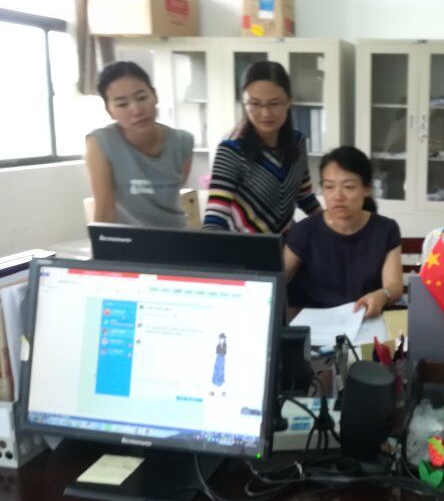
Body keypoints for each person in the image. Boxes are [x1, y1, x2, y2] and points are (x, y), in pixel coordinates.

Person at [284, 146, 403, 318]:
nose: (337, 196)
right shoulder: (304, 231)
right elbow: (278, 281)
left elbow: (394, 286)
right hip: (316, 325)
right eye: (329, 187)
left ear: (367, 188)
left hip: (366, 321)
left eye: (348, 187)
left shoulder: (385, 229)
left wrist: (382, 295)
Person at [203, 60, 321, 233]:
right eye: (255, 104)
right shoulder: (231, 150)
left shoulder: (297, 141)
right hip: (246, 246)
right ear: (244, 104)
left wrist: (332, 223)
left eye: (274, 103)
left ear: (289, 101)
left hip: (289, 244)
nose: (265, 113)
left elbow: (304, 196)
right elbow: (214, 219)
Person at [85, 61, 194, 227]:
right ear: (110, 111)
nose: (136, 110)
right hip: (127, 238)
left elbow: (175, 190)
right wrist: (101, 242)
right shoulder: (100, 142)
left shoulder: (183, 142)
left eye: (142, 98)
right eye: (122, 104)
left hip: (176, 235)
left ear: (154, 95)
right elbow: (105, 210)